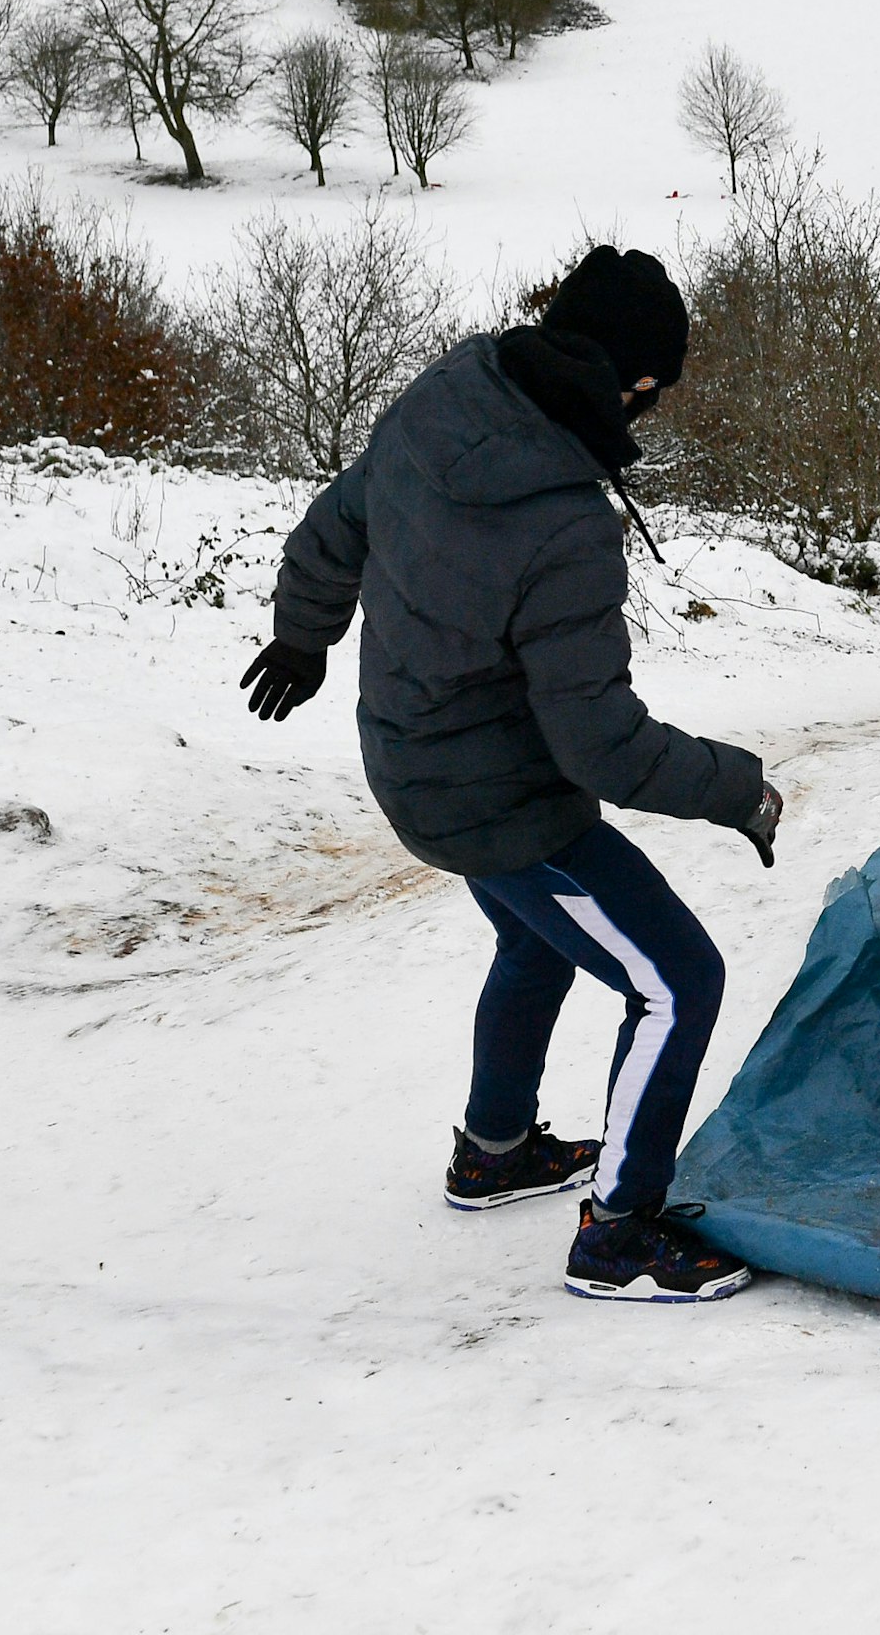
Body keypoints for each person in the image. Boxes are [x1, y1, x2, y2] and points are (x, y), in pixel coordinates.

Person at [240, 244, 782, 1305]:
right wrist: (736, 788)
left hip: (409, 758)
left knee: (536, 938)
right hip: (497, 798)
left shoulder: (450, 393)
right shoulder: (565, 522)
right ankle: (620, 1232)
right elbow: (603, 747)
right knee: (679, 979)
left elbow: (333, 526)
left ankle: (494, 1149)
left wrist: (304, 638)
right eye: (655, 388)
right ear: (632, 381)